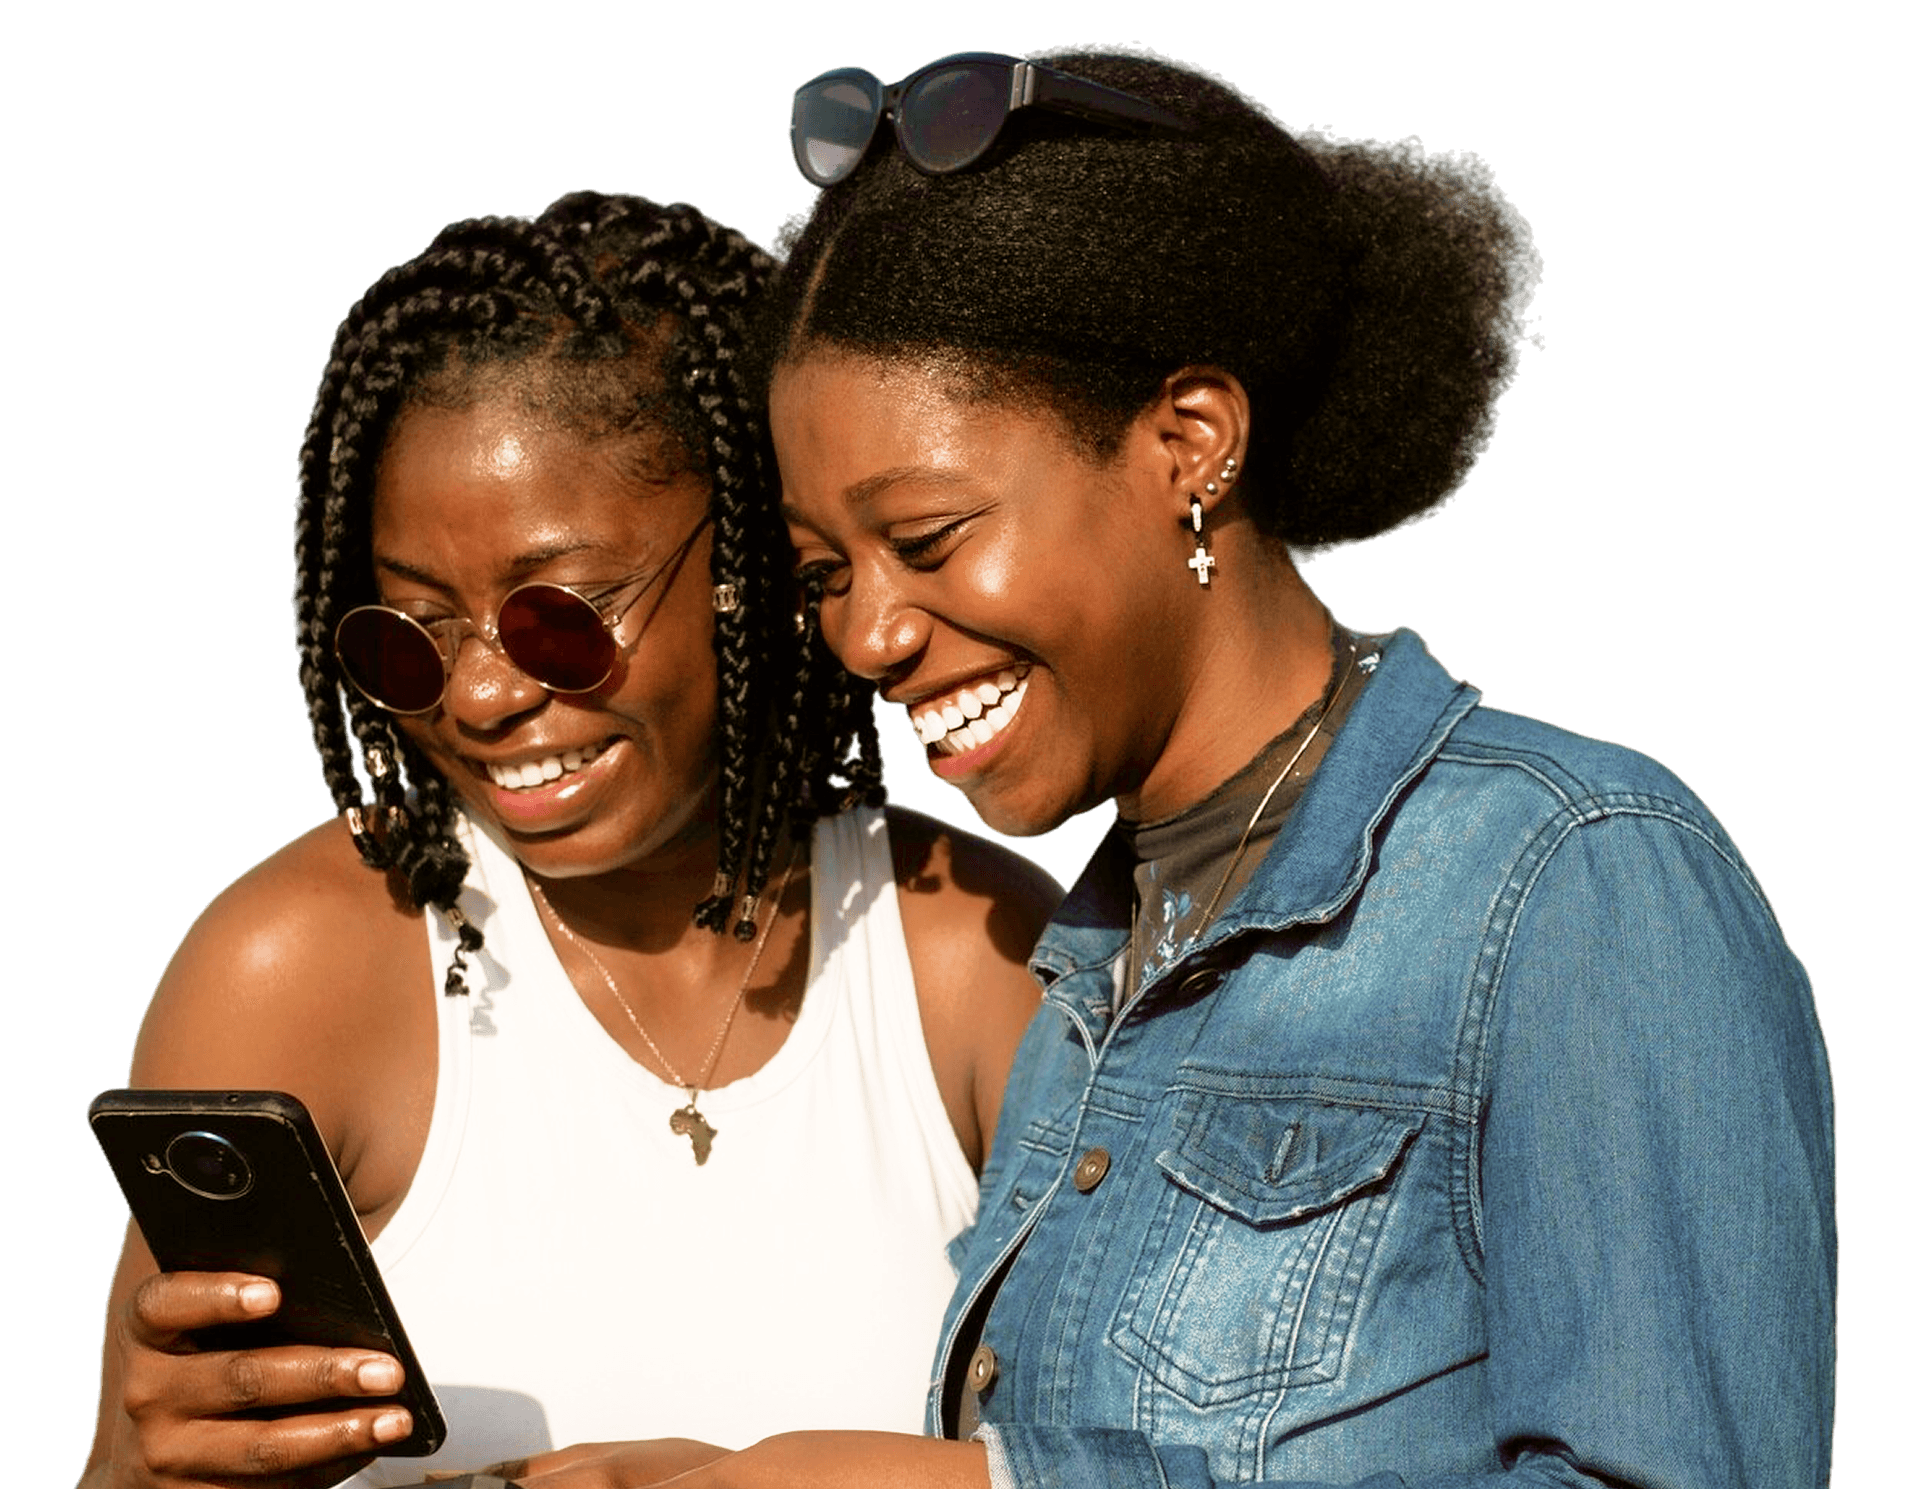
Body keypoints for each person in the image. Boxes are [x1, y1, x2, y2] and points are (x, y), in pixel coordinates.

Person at [505, 49, 1838, 1489]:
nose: (870, 636)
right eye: (827, 573)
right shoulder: (1092, 973)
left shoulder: (1573, 885)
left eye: (930, 539)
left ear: (1189, 447)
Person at [79, 190, 1058, 1489]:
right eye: (410, 637)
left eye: (558, 620)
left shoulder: (978, 964)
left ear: (757, 566)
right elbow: (130, 1461)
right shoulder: (296, 971)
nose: (481, 696)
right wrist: (146, 1478)